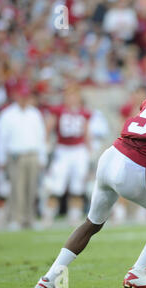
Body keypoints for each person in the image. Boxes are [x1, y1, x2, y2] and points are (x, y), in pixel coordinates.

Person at [33, 87, 146, 288]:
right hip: (134, 166)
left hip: (110, 156)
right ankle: (138, 272)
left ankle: (48, 279)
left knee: (92, 223)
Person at [0, 85, 47, 230]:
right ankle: (16, 219)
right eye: (22, 96)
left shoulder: (34, 113)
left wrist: (42, 157)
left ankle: (29, 219)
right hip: (15, 156)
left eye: (26, 96)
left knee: (32, 189)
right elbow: (2, 139)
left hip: (32, 154)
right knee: (17, 189)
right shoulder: (7, 114)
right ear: (16, 96)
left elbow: (40, 136)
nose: (24, 99)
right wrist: (1, 159)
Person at [43, 84, 92, 227]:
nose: (72, 98)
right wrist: (46, 144)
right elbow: (48, 128)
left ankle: (74, 216)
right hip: (62, 149)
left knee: (78, 186)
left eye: (74, 95)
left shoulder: (84, 112)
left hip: (79, 150)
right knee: (56, 185)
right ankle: (48, 215)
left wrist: (89, 150)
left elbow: (86, 132)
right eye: (69, 95)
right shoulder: (58, 110)